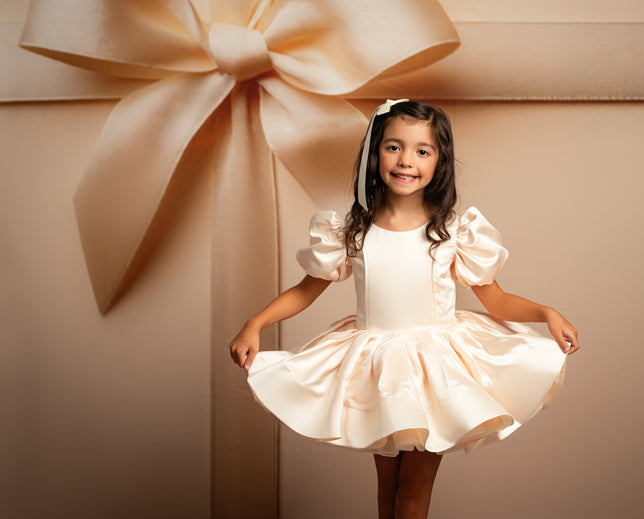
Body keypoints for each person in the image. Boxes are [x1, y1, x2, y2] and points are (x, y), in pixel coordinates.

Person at [229, 100, 580, 519]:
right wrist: (256, 323)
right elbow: (306, 291)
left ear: (439, 162)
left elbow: (496, 299)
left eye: (422, 151)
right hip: (378, 369)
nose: (406, 160)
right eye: (393, 147)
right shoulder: (353, 231)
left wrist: (547, 313)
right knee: (389, 493)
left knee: (413, 493)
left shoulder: (451, 232)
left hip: (436, 369)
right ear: (375, 152)